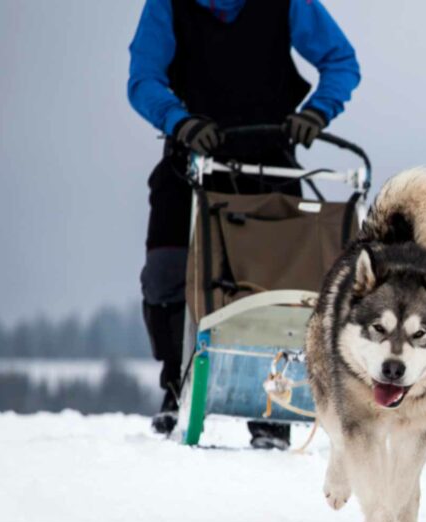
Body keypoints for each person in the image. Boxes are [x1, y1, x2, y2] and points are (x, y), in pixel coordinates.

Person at [127, 0, 360, 449]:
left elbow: (341, 61)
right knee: (165, 277)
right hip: (190, 160)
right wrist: (179, 120)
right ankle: (176, 385)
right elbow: (143, 79)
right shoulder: (167, 7)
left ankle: (273, 406)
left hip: (269, 165)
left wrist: (317, 112)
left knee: (275, 289)